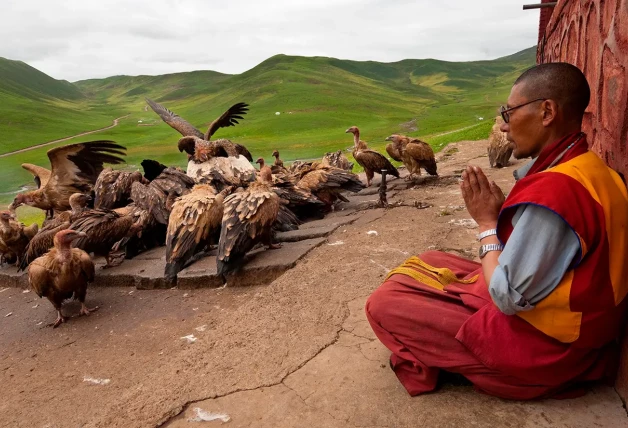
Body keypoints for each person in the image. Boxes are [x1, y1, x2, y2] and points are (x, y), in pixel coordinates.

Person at [365, 62, 628, 400]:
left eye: (509, 112)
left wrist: (488, 224)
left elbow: (505, 297)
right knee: (428, 261)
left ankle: (467, 359)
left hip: (551, 350)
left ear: (547, 111)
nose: (504, 127)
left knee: (384, 304)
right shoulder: (590, 168)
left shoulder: (557, 193)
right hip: (578, 325)